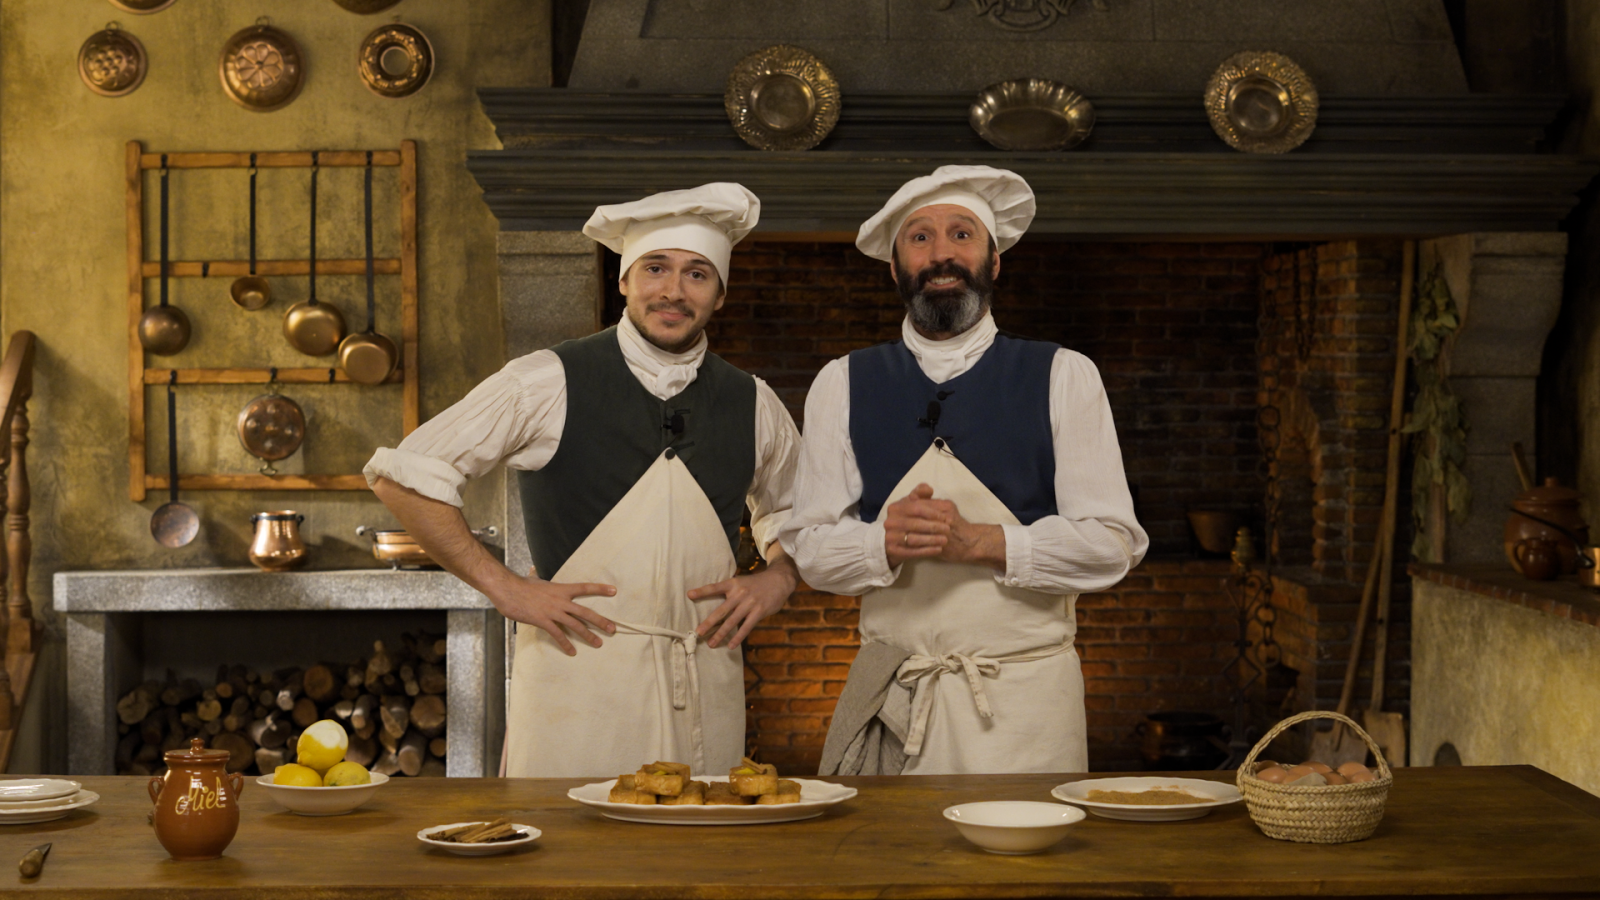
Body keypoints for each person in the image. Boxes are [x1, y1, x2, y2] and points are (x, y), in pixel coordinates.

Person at [365, 183, 801, 777]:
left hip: (705, 679)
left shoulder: (754, 402)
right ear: (624, 280)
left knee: (699, 859)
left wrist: (779, 577)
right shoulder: (545, 381)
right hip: (577, 682)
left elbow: (798, 517)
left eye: (698, 274)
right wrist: (504, 588)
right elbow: (404, 476)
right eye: (656, 268)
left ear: (720, 294)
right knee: (569, 861)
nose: (674, 291)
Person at [780, 165, 1147, 775]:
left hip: (1027, 706)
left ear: (994, 261)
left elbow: (1113, 546)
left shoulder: (1064, 375)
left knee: (1024, 869)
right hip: (893, 695)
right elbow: (813, 551)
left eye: (962, 234)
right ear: (895, 267)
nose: (941, 254)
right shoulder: (841, 383)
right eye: (919, 238)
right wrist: (881, 543)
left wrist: (983, 542)